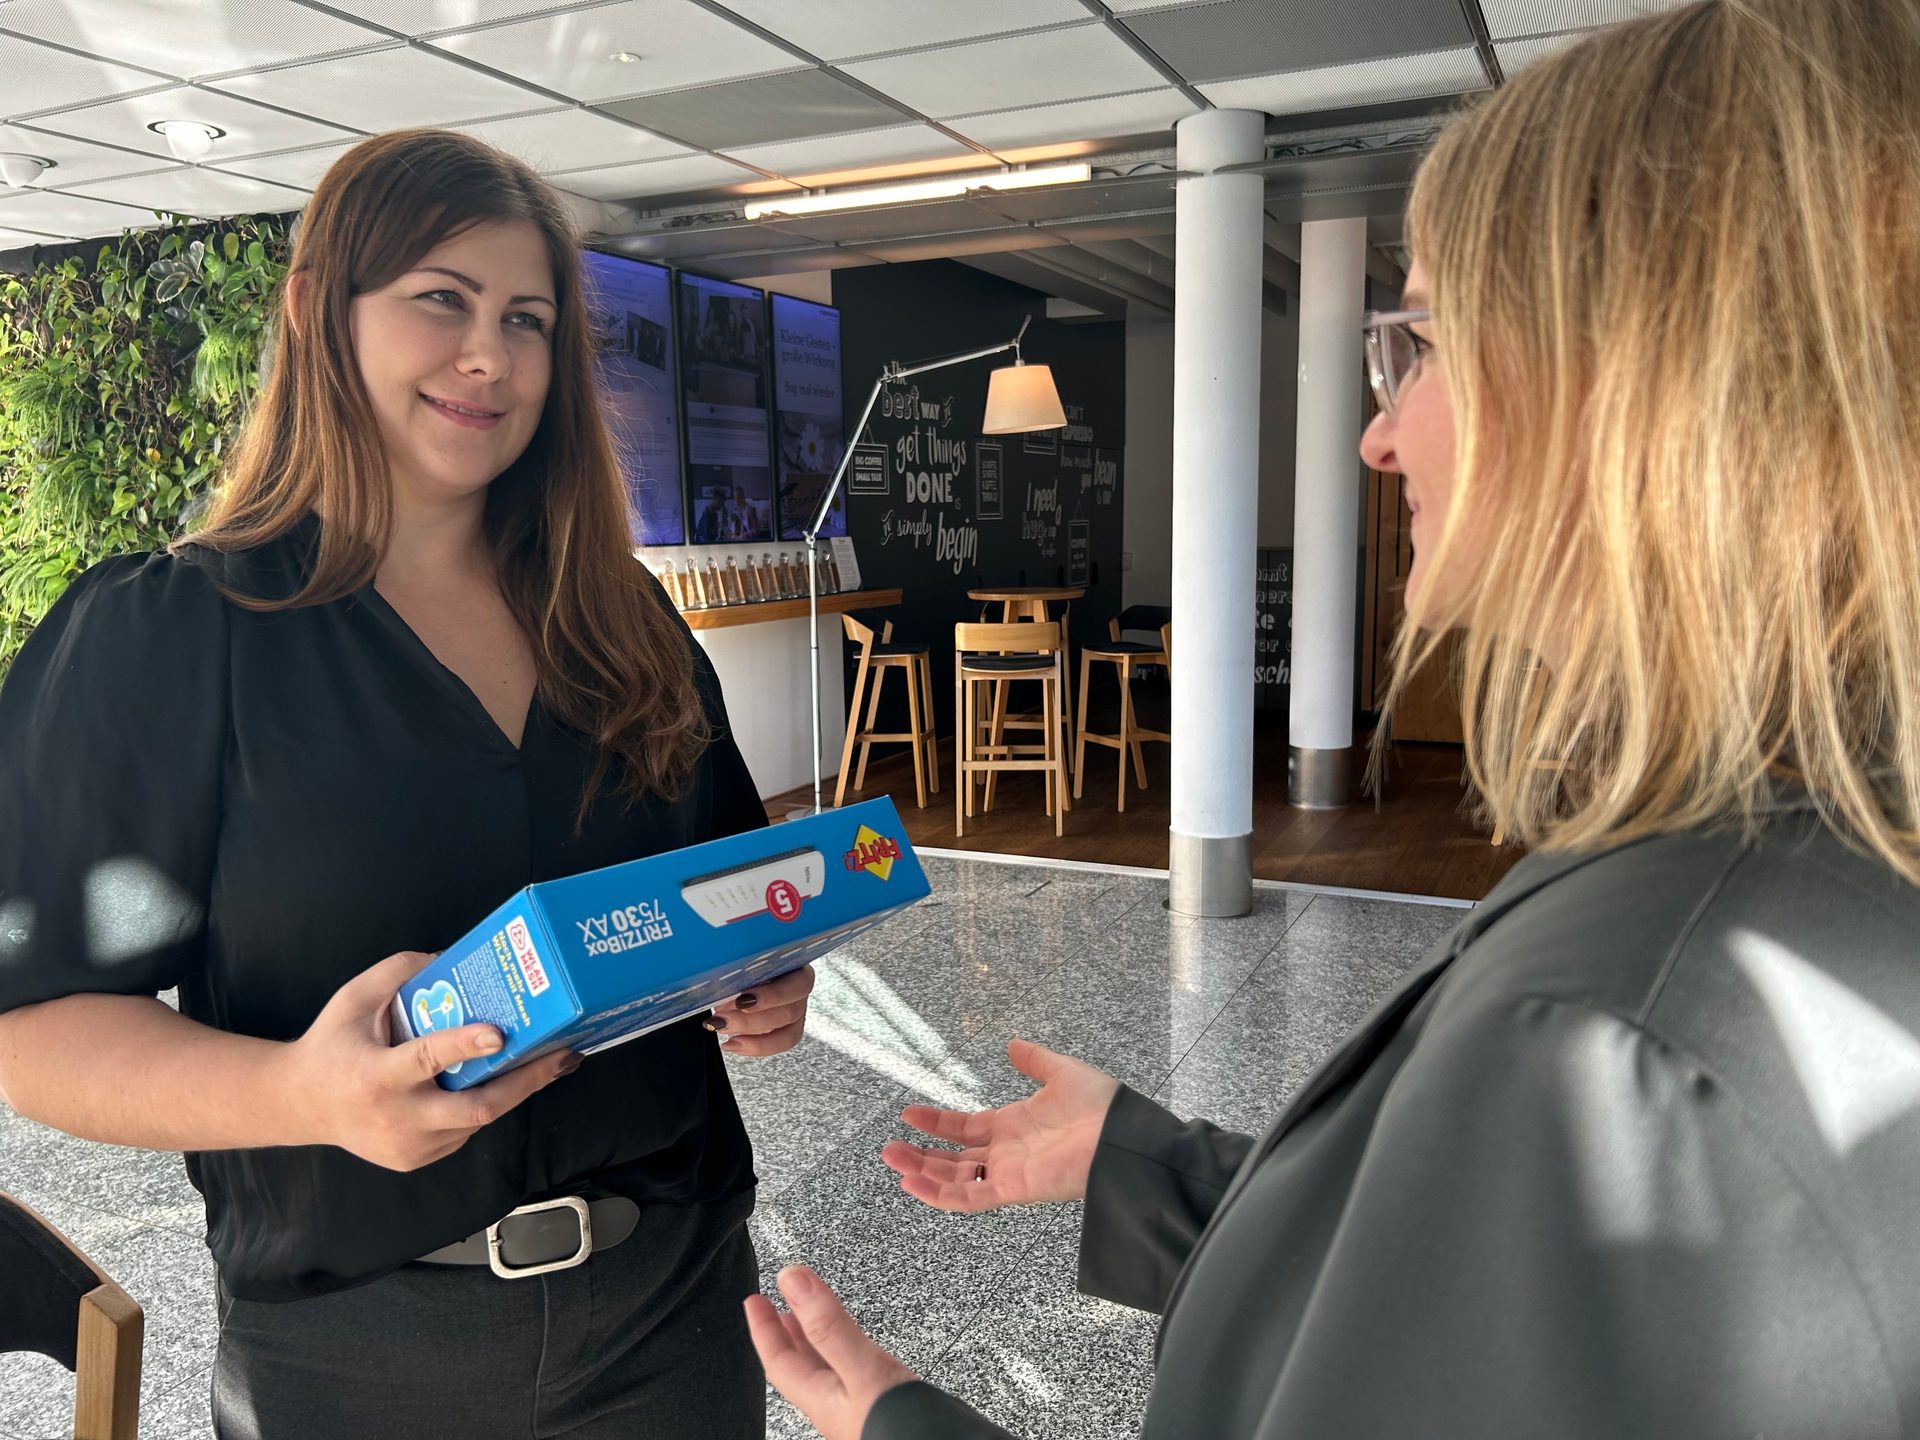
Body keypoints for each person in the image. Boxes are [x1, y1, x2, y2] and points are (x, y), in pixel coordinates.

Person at [740, 1, 1920, 1435]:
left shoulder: (1634, 1022)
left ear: (1651, 385)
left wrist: (896, 1421)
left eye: (1420, 342)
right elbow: (1451, 1308)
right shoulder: (1781, 876)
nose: (1380, 429)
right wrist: (1150, 1169)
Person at [0, 129, 813, 1438]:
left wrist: (760, 977)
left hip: (676, 1310)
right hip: (358, 1355)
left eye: (527, 318)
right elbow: (29, 1035)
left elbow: (711, 890)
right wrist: (295, 1097)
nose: (489, 356)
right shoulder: (175, 634)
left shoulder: (625, 626)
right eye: (442, 300)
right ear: (320, 309)